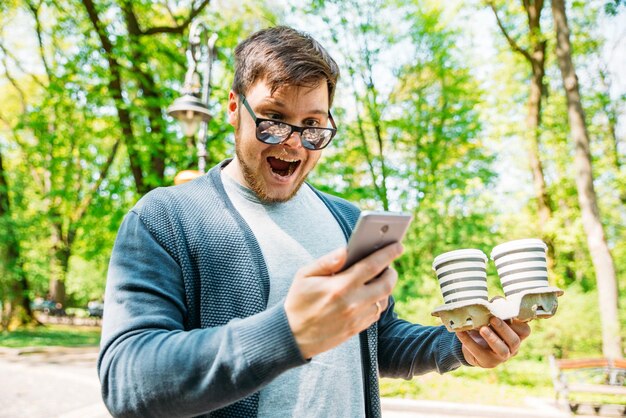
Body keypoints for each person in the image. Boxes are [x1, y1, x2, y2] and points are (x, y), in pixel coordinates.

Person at [98, 26, 530, 418]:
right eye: (272, 119)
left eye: (312, 126)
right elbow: (127, 378)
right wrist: (286, 333)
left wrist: (460, 346)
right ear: (234, 107)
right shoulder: (166, 218)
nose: (291, 143)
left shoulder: (347, 220)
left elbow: (376, 340)